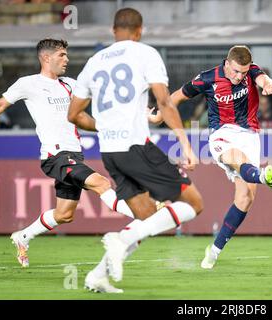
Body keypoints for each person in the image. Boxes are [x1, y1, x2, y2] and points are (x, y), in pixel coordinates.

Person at [68, 8, 204, 292]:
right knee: (193, 204)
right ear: (139, 30)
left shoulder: (93, 62)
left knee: (145, 219)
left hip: (111, 152)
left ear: (113, 30)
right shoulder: (146, 53)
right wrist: (186, 145)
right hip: (135, 146)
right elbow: (165, 103)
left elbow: (74, 115)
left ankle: (97, 275)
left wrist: (105, 126)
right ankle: (118, 240)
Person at [0, 39, 136, 276]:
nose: (67, 59)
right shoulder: (28, 83)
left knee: (64, 214)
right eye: (62, 55)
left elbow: (95, 106)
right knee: (101, 183)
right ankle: (144, 216)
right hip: (55, 155)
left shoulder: (71, 84)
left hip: (74, 155)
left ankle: (23, 236)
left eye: (66, 55)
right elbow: (0, 104)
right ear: (46, 58)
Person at [164, 45, 272, 269]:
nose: (239, 77)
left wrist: (267, 83)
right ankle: (261, 175)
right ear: (227, 64)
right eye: (236, 71)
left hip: (250, 136)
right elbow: (177, 96)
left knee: (246, 198)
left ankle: (214, 251)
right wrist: (160, 112)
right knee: (234, 157)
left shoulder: (252, 71)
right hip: (222, 134)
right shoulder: (207, 79)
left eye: (243, 73)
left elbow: (262, 78)